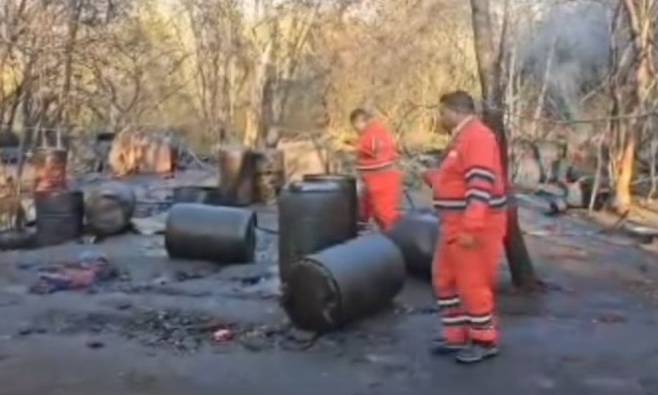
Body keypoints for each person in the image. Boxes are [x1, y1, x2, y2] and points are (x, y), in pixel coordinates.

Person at [425, 91, 507, 364]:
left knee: (473, 283)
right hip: (452, 224)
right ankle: (456, 334)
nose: (440, 117)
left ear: (453, 110)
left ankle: (484, 341)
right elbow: (458, 178)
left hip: (474, 226)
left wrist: (471, 228)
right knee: (444, 279)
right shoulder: (462, 137)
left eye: (442, 112)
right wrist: (434, 178)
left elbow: (480, 185)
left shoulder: (478, 137)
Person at [350, 109, 402, 231]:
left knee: (385, 214)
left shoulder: (374, 133)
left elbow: (373, 148)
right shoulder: (373, 133)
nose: (355, 129)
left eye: (355, 126)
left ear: (361, 122)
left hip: (382, 179)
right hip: (373, 180)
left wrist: (355, 147)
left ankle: (397, 238)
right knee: (370, 210)